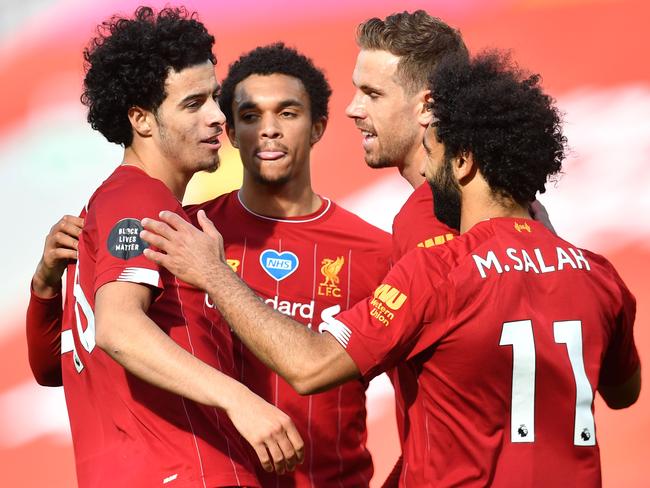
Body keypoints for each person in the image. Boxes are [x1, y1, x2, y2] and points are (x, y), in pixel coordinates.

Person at [140, 50, 641, 487]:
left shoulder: (438, 271)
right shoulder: (598, 275)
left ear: (463, 161)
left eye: (434, 150)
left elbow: (311, 366)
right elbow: (623, 390)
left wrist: (215, 272)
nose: (427, 164)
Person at [26, 42, 391, 487]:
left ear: (318, 127)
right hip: (191, 471)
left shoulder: (157, 219)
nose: (217, 117)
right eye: (197, 104)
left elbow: (58, 366)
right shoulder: (165, 220)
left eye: (288, 113)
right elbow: (114, 330)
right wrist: (242, 401)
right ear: (141, 119)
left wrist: (44, 288)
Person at [187, 43, 391, 487]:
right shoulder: (191, 233)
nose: (269, 130)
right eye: (250, 116)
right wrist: (45, 292)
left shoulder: (378, 253)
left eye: (288, 113)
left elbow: (431, 396)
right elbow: (62, 365)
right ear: (231, 132)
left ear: (317, 127)